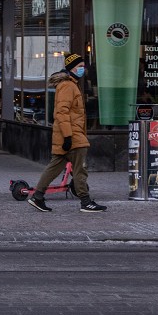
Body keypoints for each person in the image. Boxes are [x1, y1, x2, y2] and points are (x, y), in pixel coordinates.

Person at [28, 53, 106, 213]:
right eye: (80, 67)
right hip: (72, 135)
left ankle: (37, 196)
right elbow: (61, 113)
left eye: (83, 66)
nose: (83, 69)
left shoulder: (69, 85)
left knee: (53, 168)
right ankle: (85, 202)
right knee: (79, 170)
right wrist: (69, 136)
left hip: (68, 134)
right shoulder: (68, 86)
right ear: (71, 68)